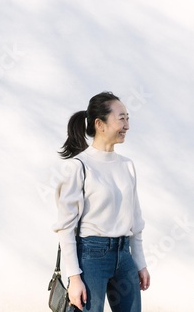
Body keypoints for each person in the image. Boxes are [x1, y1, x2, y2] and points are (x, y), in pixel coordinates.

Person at [52, 92, 150, 312]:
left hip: (124, 256)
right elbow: (65, 227)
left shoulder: (127, 165)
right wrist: (74, 278)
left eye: (128, 118)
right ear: (100, 124)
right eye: (121, 118)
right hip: (91, 257)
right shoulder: (79, 167)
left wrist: (140, 263)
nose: (127, 125)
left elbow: (135, 219)